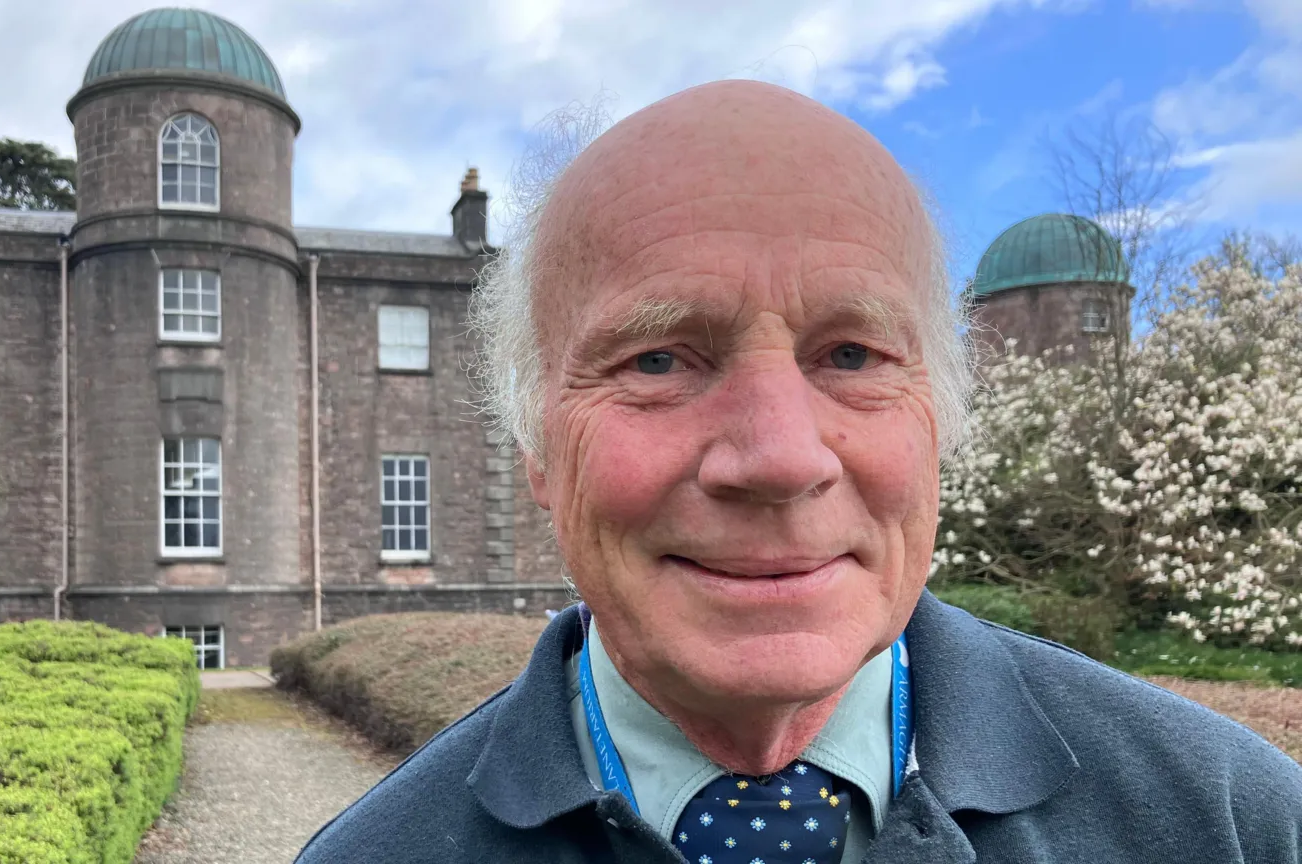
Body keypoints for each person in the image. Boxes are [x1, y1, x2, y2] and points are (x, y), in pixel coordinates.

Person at [295, 81, 1302, 863]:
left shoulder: (1235, 825)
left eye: (853, 356)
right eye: (657, 360)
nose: (779, 458)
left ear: (939, 420)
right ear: (536, 446)